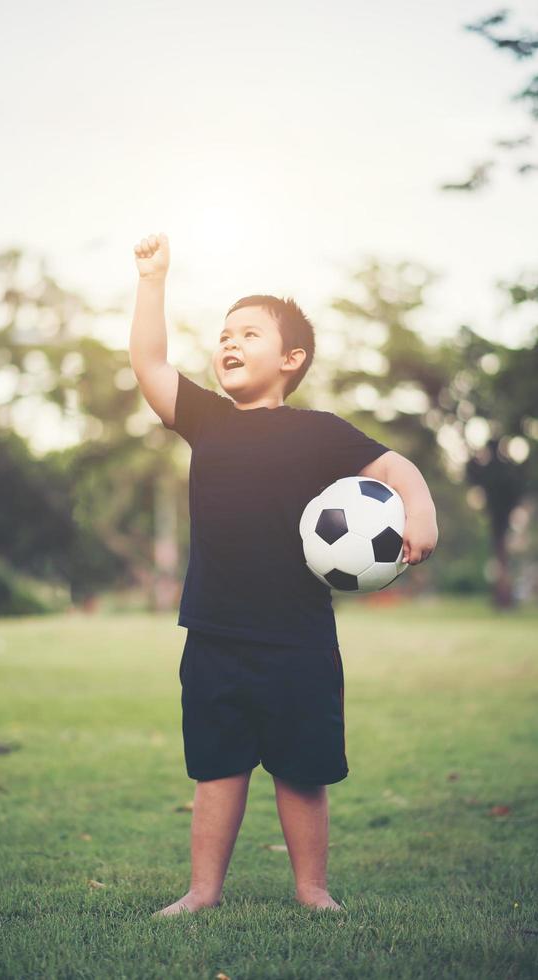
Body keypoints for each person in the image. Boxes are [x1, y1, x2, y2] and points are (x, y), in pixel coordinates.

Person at [129, 232, 438, 917]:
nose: (228, 343)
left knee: (302, 772)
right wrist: (153, 282)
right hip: (214, 632)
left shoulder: (320, 433)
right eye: (223, 334)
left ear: (291, 358)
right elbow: (149, 362)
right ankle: (203, 892)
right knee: (217, 769)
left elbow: (393, 467)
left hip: (298, 636)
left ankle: (311, 889)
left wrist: (419, 509)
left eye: (248, 333)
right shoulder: (206, 421)